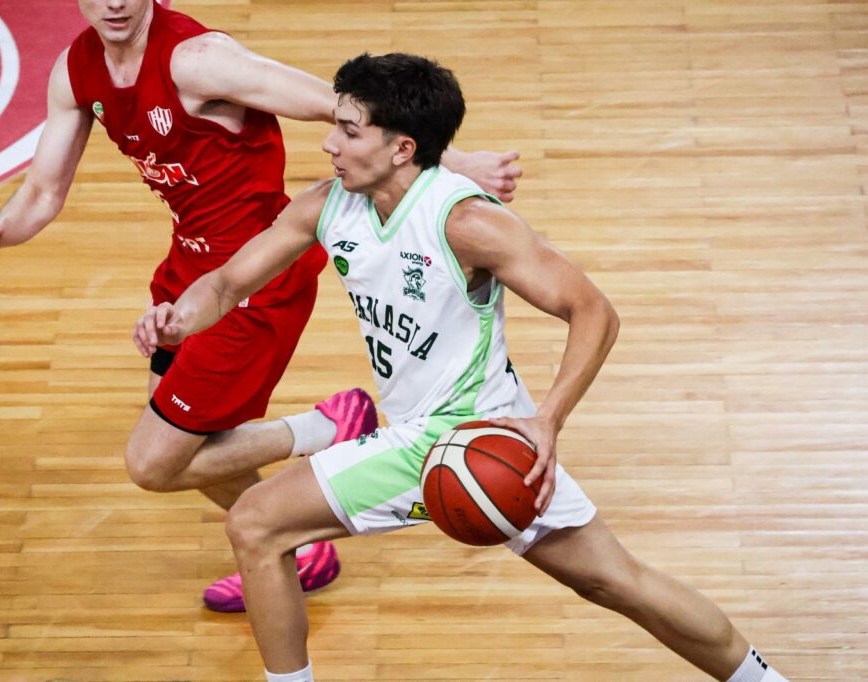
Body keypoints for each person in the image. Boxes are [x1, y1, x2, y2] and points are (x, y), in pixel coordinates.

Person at [134, 52, 788, 682]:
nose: (329, 142)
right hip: (461, 441)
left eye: (349, 130)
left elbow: (594, 311)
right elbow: (227, 283)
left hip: (466, 432)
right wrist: (178, 320)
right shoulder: (327, 204)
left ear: (402, 148)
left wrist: (548, 421)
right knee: (615, 581)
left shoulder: (467, 224)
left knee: (255, 523)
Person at [0, 0, 522, 613]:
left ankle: (329, 429)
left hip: (253, 278)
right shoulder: (76, 68)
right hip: (189, 269)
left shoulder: (199, 60)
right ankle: (302, 546)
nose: (115, 3)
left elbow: (337, 107)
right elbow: (42, 190)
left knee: (154, 464)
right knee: (193, 440)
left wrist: (452, 162)